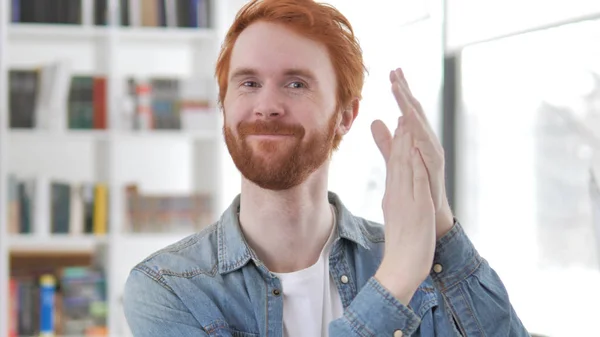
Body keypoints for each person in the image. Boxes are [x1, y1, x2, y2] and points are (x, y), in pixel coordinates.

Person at [123, 0, 530, 336]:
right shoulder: (166, 286)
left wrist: (439, 223)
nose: (267, 105)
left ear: (345, 115)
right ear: (224, 105)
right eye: (248, 83)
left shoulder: (414, 253)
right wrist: (394, 284)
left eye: (296, 83)